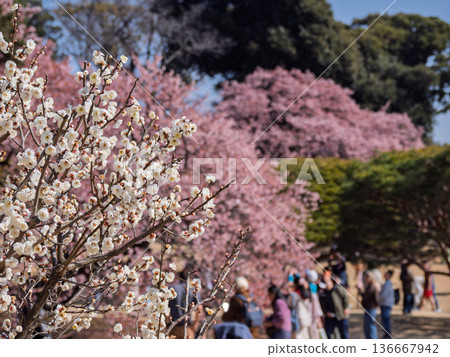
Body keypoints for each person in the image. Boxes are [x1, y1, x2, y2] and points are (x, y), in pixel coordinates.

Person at [168, 270, 202, 338]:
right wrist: (195, 324)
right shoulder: (193, 290)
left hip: (173, 327)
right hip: (187, 327)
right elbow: (200, 308)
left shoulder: (172, 289)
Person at [319, 271, 350, 339]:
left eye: (327, 281)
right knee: (328, 333)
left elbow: (346, 298)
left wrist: (346, 308)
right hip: (330, 317)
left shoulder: (337, 289)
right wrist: (326, 313)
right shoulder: (323, 294)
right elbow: (322, 305)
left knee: (344, 334)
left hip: (341, 315)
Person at [360, 270, 379, 339]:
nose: (366, 279)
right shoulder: (368, 286)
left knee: (371, 326)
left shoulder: (372, 287)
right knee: (366, 326)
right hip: (368, 308)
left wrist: (360, 291)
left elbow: (366, 295)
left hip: (371, 309)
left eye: (367, 277)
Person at [379, 270, 395, 338]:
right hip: (385, 303)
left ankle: (388, 334)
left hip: (386, 304)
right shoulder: (387, 283)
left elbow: (384, 295)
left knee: (386, 319)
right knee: (385, 320)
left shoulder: (387, 284)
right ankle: (386, 333)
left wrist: (378, 299)